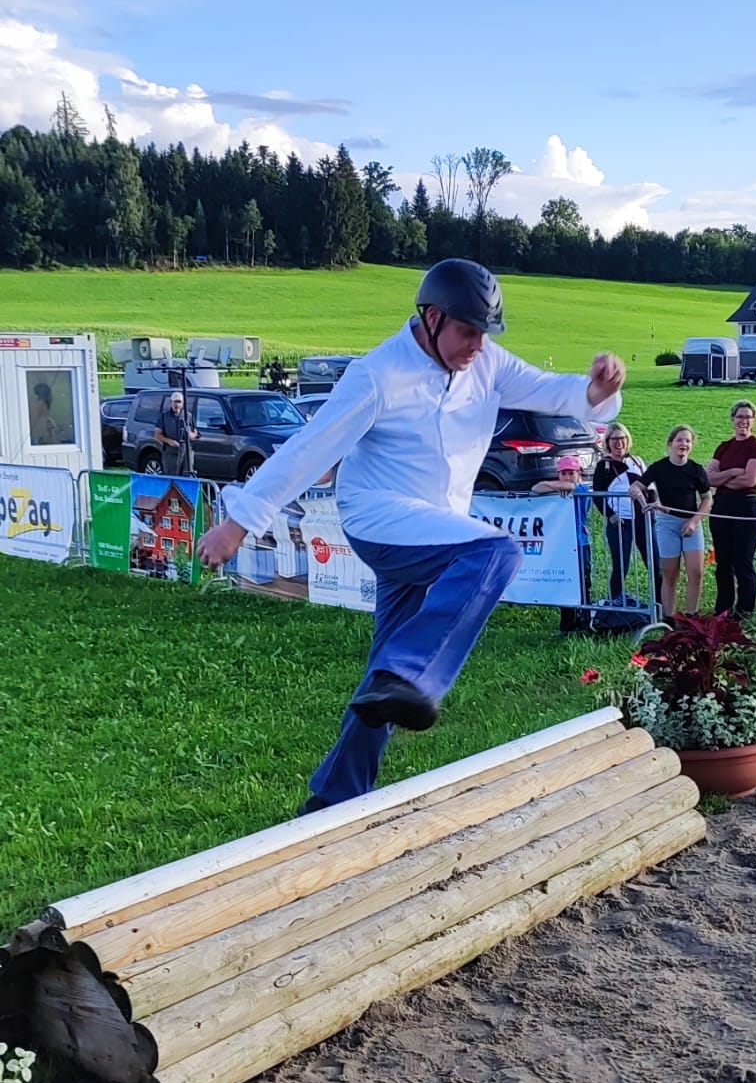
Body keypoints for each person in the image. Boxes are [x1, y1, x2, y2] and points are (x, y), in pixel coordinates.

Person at [196, 259, 626, 809]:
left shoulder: (487, 363)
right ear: (432, 317)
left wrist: (595, 391)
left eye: (485, 333)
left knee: (384, 680)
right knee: (495, 552)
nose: (477, 345)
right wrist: (237, 524)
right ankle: (414, 675)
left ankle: (334, 795)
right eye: (467, 331)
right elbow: (309, 449)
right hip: (378, 518)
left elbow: (552, 391)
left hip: (433, 529)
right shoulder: (379, 375)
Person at [631, 425, 712, 619]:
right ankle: (669, 618)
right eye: (679, 440)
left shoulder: (696, 470)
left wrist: (694, 521)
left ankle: (692, 616)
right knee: (670, 573)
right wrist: (640, 496)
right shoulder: (658, 468)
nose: (683, 444)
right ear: (671, 443)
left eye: (687, 441)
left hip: (691, 524)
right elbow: (637, 486)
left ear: (692, 445)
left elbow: (707, 499)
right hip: (667, 524)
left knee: (696, 572)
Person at [705, 399, 756, 619]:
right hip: (721, 508)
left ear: (754, 420)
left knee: (743, 563)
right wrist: (733, 472)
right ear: (732, 419)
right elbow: (708, 479)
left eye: (748, 417)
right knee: (723, 564)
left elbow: (750, 480)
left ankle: (744, 612)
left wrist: (722, 479)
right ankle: (722, 611)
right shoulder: (723, 447)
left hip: (746, 508)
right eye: (740, 416)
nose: (744, 421)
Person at [591, 423, 659, 606]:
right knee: (621, 566)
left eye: (622, 438)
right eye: (614, 439)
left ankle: (660, 605)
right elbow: (597, 495)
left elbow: (650, 487)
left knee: (655, 564)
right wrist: (611, 515)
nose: (619, 442)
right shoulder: (603, 466)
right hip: (620, 523)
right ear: (608, 442)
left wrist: (652, 506)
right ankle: (615, 604)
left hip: (643, 520)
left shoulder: (637, 461)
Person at [532, 453, 592, 634]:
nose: (567, 477)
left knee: (583, 582)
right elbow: (536, 488)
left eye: (571, 473)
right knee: (566, 583)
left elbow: (573, 487)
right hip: (563, 543)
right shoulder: (556, 490)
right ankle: (567, 624)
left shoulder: (583, 489)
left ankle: (585, 620)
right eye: (563, 473)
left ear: (579, 473)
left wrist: (559, 486)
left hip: (580, 543)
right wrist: (555, 486)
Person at [155, 389, 197, 477]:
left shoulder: (188, 416)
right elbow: (157, 435)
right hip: (171, 453)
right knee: (172, 478)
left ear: (182, 403)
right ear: (171, 402)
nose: (177, 405)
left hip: (186, 452)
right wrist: (169, 441)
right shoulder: (164, 416)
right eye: (175, 402)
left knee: (187, 477)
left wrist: (191, 435)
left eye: (179, 402)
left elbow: (195, 433)